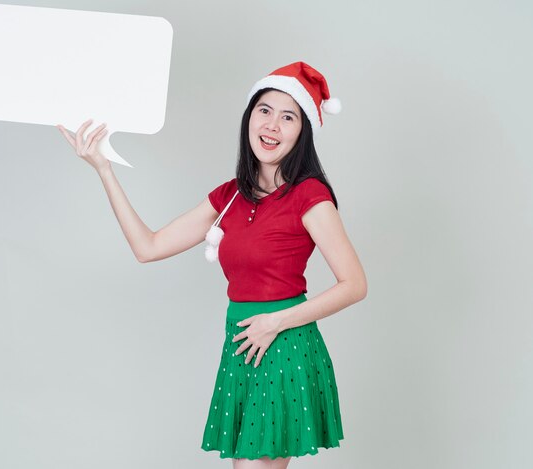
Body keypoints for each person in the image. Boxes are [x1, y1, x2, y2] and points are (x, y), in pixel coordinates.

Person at [57, 62, 367, 469]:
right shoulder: (231, 197)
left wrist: (275, 322)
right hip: (241, 345)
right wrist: (104, 169)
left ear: (302, 131)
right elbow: (147, 247)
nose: (272, 125)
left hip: (283, 347)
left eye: (288, 116)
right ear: (249, 118)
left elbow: (354, 284)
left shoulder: (309, 195)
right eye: (265, 110)